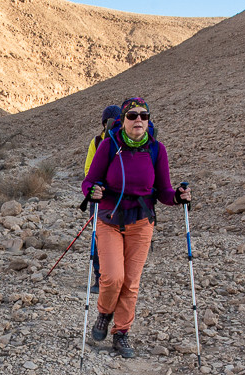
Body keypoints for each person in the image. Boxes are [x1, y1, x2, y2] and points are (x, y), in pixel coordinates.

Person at [81, 97, 190, 358]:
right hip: (109, 219)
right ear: (123, 120)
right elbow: (89, 181)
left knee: (130, 282)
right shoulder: (109, 146)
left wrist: (177, 197)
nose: (138, 120)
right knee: (112, 277)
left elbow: (163, 190)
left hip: (141, 222)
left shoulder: (156, 149)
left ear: (148, 120)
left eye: (143, 115)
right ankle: (104, 313)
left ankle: (122, 333)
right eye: (132, 116)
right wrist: (93, 191)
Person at [82, 105, 121, 293]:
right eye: (109, 122)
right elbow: (88, 171)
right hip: (100, 198)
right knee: (99, 237)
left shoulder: (128, 142)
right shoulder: (97, 142)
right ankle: (100, 278)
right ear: (104, 123)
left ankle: (117, 277)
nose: (112, 126)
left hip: (122, 199)